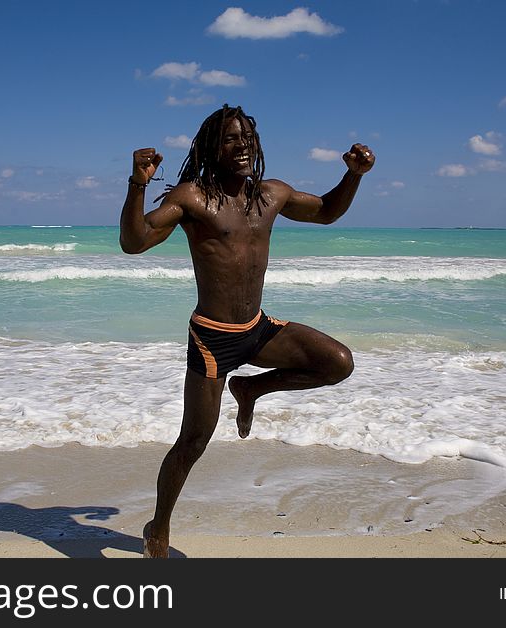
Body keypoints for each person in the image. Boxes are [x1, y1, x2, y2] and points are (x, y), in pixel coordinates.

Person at [119, 104, 374, 558]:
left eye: (246, 138)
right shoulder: (192, 198)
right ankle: (158, 527)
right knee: (194, 440)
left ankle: (253, 389)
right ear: (212, 149)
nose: (241, 146)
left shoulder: (270, 195)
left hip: (258, 329)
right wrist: (138, 184)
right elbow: (134, 242)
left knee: (338, 363)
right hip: (213, 338)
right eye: (230, 139)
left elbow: (326, 212)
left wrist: (352, 175)